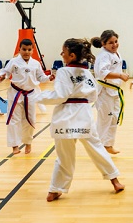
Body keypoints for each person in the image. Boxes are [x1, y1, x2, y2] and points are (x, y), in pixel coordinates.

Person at [34, 38, 125, 201]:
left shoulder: (63, 71)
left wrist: (40, 97)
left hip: (65, 116)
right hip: (84, 114)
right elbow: (93, 96)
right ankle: (115, 181)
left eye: (63, 52)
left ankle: (55, 190)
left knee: (64, 156)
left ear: (72, 55)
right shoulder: (87, 73)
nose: (62, 55)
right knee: (97, 148)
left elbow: (60, 96)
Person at [0, 39, 53, 155]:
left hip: (30, 94)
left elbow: (41, 77)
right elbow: (5, 71)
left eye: (29, 50)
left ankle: (28, 142)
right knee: (14, 119)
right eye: (24, 49)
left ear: (32, 51)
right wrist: (1, 76)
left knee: (30, 119)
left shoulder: (36, 63)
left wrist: (48, 78)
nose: (26, 52)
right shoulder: (14, 62)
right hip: (15, 93)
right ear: (19, 49)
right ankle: (14, 145)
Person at [92, 30, 129, 155]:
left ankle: (108, 144)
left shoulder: (115, 53)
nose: (114, 45)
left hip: (114, 91)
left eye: (116, 41)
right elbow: (103, 73)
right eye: (110, 43)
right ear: (103, 44)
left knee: (114, 118)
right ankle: (97, 148)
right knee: (104, 120)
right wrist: (120, 75)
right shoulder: (104, 55)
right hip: (104, 92)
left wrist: (120, 76)